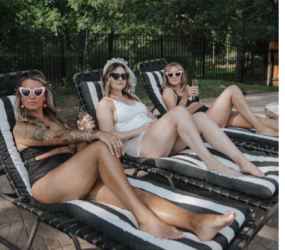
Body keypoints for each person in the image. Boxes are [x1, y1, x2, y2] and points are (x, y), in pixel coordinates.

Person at [12, 71, 237, 242]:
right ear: (20, 96)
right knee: (101, 146)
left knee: (133, 193)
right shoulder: (21, 127)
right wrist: (90, 133)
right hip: (47, 185)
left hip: (73, 180)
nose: (32, 95)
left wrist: (81, 138)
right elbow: (52, 138)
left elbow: (76, 154)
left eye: (38, 91)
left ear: (45, 95)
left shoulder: (59, 121)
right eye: (26, 91)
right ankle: (145, 220)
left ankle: (197, 222)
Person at [97, 58, 265, 178]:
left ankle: (241, 161)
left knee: (199, 116)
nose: (121, 79)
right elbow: (107, 137)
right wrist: (139, 130)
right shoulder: (106, 103)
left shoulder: (133, 98)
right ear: (108, 78)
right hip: (140, 146)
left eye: (124, 76)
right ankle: (211, 162)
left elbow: (147, 116)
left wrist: (155, 122)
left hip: (158, 139)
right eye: (115, 75)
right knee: (179, 112)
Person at [162, 62, 278, 137]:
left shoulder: (186, 88)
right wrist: (187, 99)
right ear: (166, 76)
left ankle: (263, 127)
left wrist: (196, 103)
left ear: (182, 74)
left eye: (177, 73)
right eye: (170, 74)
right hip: (202, 122)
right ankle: (260, 129)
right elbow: (175, 116)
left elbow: (198, 104)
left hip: (210, 115)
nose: (174, 76)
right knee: (232, 89)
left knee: (251, 118)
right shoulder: (168, 91)